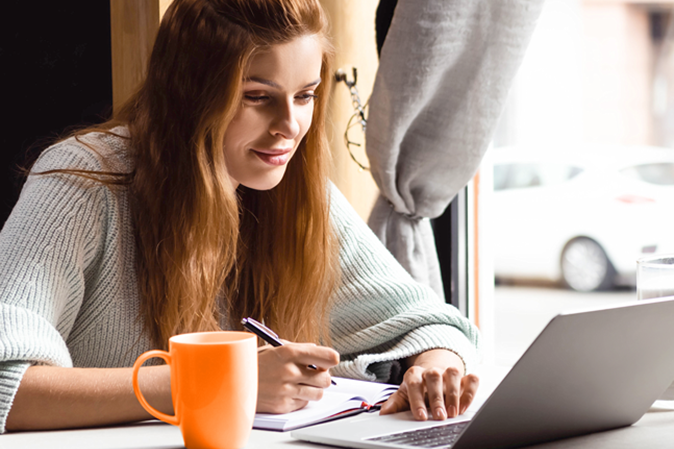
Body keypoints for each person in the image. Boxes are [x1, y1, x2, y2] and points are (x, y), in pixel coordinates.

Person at [0, 0, 480, 433]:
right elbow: (6, 387)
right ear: (190, 91)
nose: (290, 127)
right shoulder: (83, 181)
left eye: (305, 95)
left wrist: (436, 368)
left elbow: (432, 324)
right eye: (257, 97)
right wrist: (221, 381)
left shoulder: (293, 190)